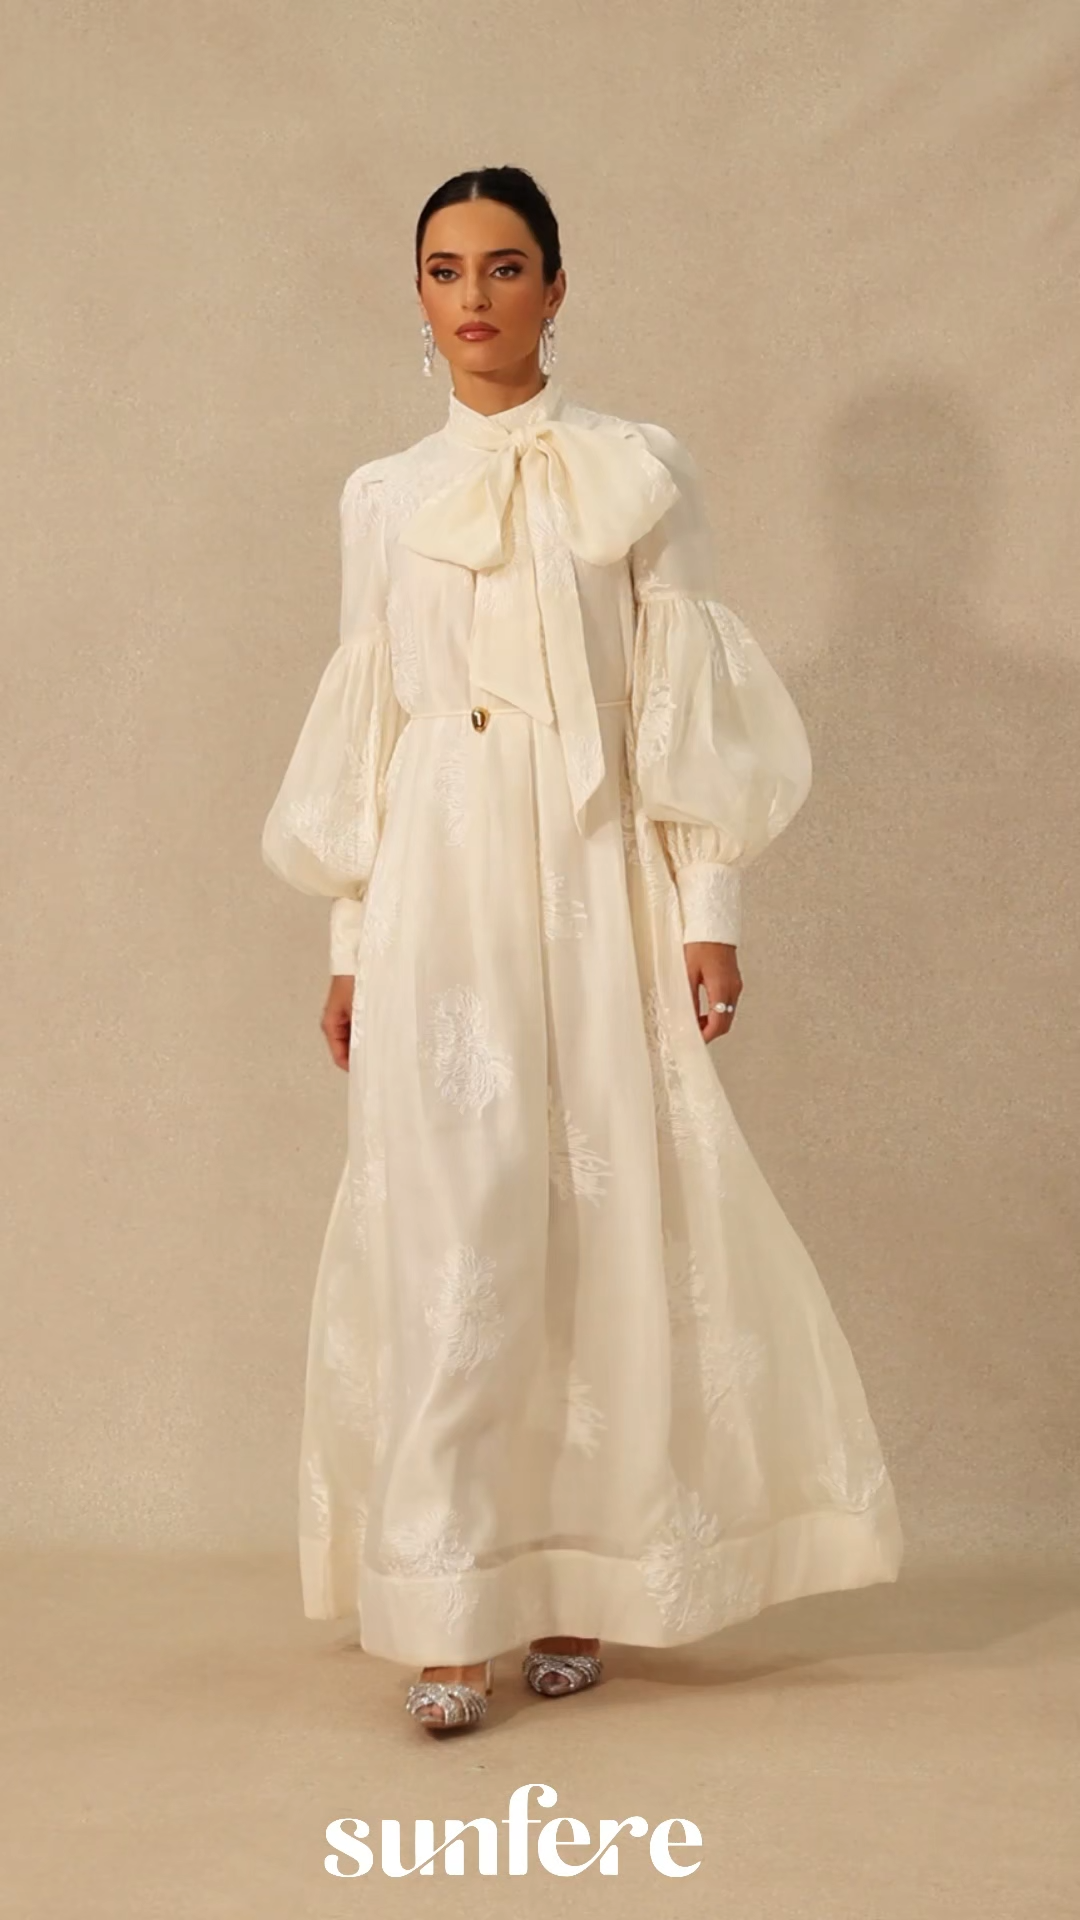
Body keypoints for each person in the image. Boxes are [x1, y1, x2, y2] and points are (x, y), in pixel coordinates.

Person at [260, 165, 904, 1736]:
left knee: (600, 1222)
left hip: (597, 880)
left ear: (557, 286)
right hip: (436, 894)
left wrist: (709, 914)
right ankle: (444, 1608)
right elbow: (367, 725)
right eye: (444, 269)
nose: (473, 296)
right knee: (453, 1230)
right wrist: (351, 941)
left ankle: (578, 1582)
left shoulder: (642, 468)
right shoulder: (381, 497)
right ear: (417, 297)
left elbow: (679, 703)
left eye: (505, 266)